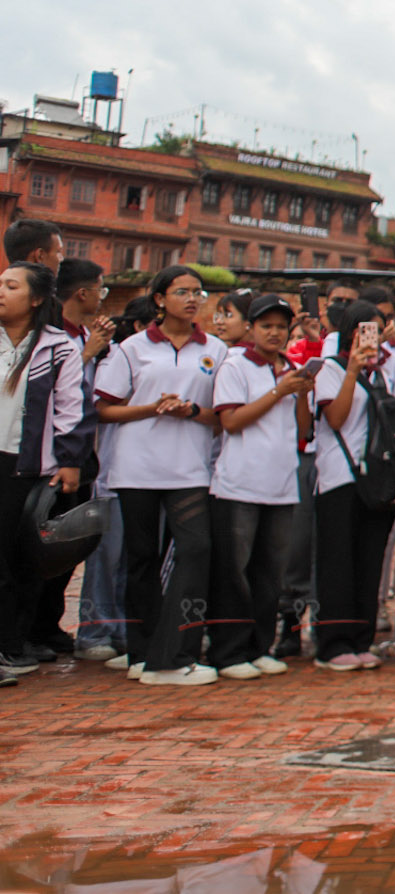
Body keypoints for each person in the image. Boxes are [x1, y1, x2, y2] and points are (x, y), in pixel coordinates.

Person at [95, 264, 220, 686]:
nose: (192, 298)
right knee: (141, 559)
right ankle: (141, 651)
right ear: (160, 299)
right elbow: (105, 408)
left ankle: (179, 648)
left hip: (189, 467)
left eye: (198, 292)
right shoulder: (132, 348)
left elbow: (223, 415)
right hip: (137, 466)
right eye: (182, 291)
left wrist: (190, 411)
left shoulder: (216, 350)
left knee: (195, 550)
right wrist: (151, 408)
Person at [207, 294, 313, 680]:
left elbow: (304, 429)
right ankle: (228, 651)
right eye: (266, 325)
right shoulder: (235, 365)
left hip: (282, 484)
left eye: (281, 327)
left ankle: (259, 646)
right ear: (250, 329)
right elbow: (232, 421)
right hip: (239, 484)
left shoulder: (293, 368)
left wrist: (299, 393)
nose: (274, 333)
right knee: (233, 571)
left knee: (270, 573)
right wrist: (278, 392)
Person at [309, 300, 395, 671]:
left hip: (377, 478)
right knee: (338, 563)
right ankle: (332, 646)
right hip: (339, 477)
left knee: (369, 562)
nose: (373, 335)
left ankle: (360, 639)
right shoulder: (330, 369)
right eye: (365, 328)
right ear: (350, 331)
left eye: (379, 328)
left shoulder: (385, 372)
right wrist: (352, 368)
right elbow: (335, 418)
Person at [0, 262, 87, 681]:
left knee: (21, 560)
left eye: (11, 286)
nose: (1, 291)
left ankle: (13, 644)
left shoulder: (58, 347)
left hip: (27, 467)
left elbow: (72, 408)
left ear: (36, 299)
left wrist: (70, 461)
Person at [59, 258, 123, 664]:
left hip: (86, 457)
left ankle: (51, 629)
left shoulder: (88, 333)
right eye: (101, 289)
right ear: (82, 293)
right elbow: (49, 386)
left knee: (72, 549)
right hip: (51, 457)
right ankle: (90, 629)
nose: (103, 297)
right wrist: (87, 352)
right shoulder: (51, 334)